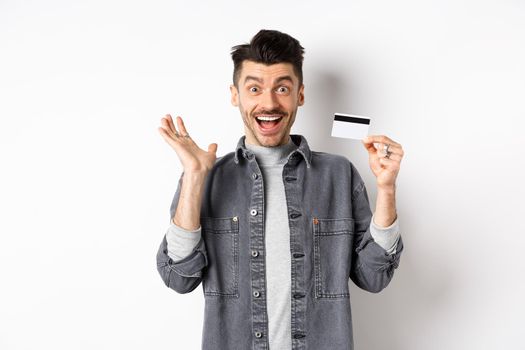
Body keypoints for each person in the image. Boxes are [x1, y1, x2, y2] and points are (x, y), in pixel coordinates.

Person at [156, 29, 404, 350]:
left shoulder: (338, 175)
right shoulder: (205, 177)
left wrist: (386, 188)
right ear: (236, 96)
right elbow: (178, 278)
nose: (269, 102)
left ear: (300, 94)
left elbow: (374, 278)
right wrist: (193, 176)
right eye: (255, 88)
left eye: (282, 88)